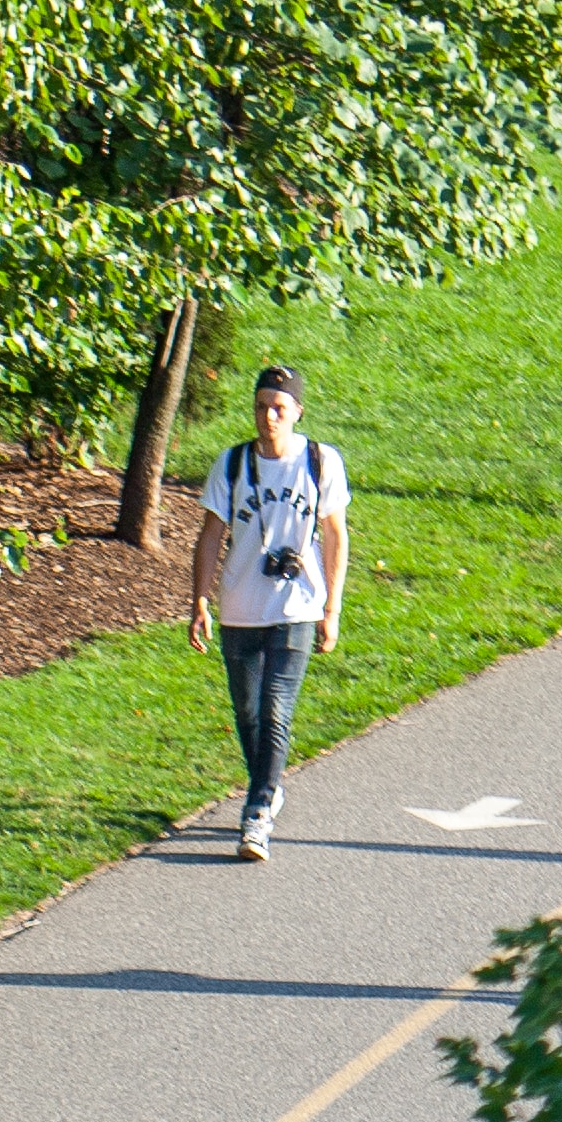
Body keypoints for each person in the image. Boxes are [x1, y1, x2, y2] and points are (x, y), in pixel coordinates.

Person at [187, 363, 349, 865]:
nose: (268, 416)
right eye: (261, 407)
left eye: (279, 408)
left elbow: (336, 535)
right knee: (249, 712)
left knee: (277, 707)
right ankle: (270, 782)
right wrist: (200, 600)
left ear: (297, 411)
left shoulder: (321, 462)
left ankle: (257, 813)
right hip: (240, 607)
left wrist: (332, 606)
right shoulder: (232, 465)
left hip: (296, 606)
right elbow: (211, 535)